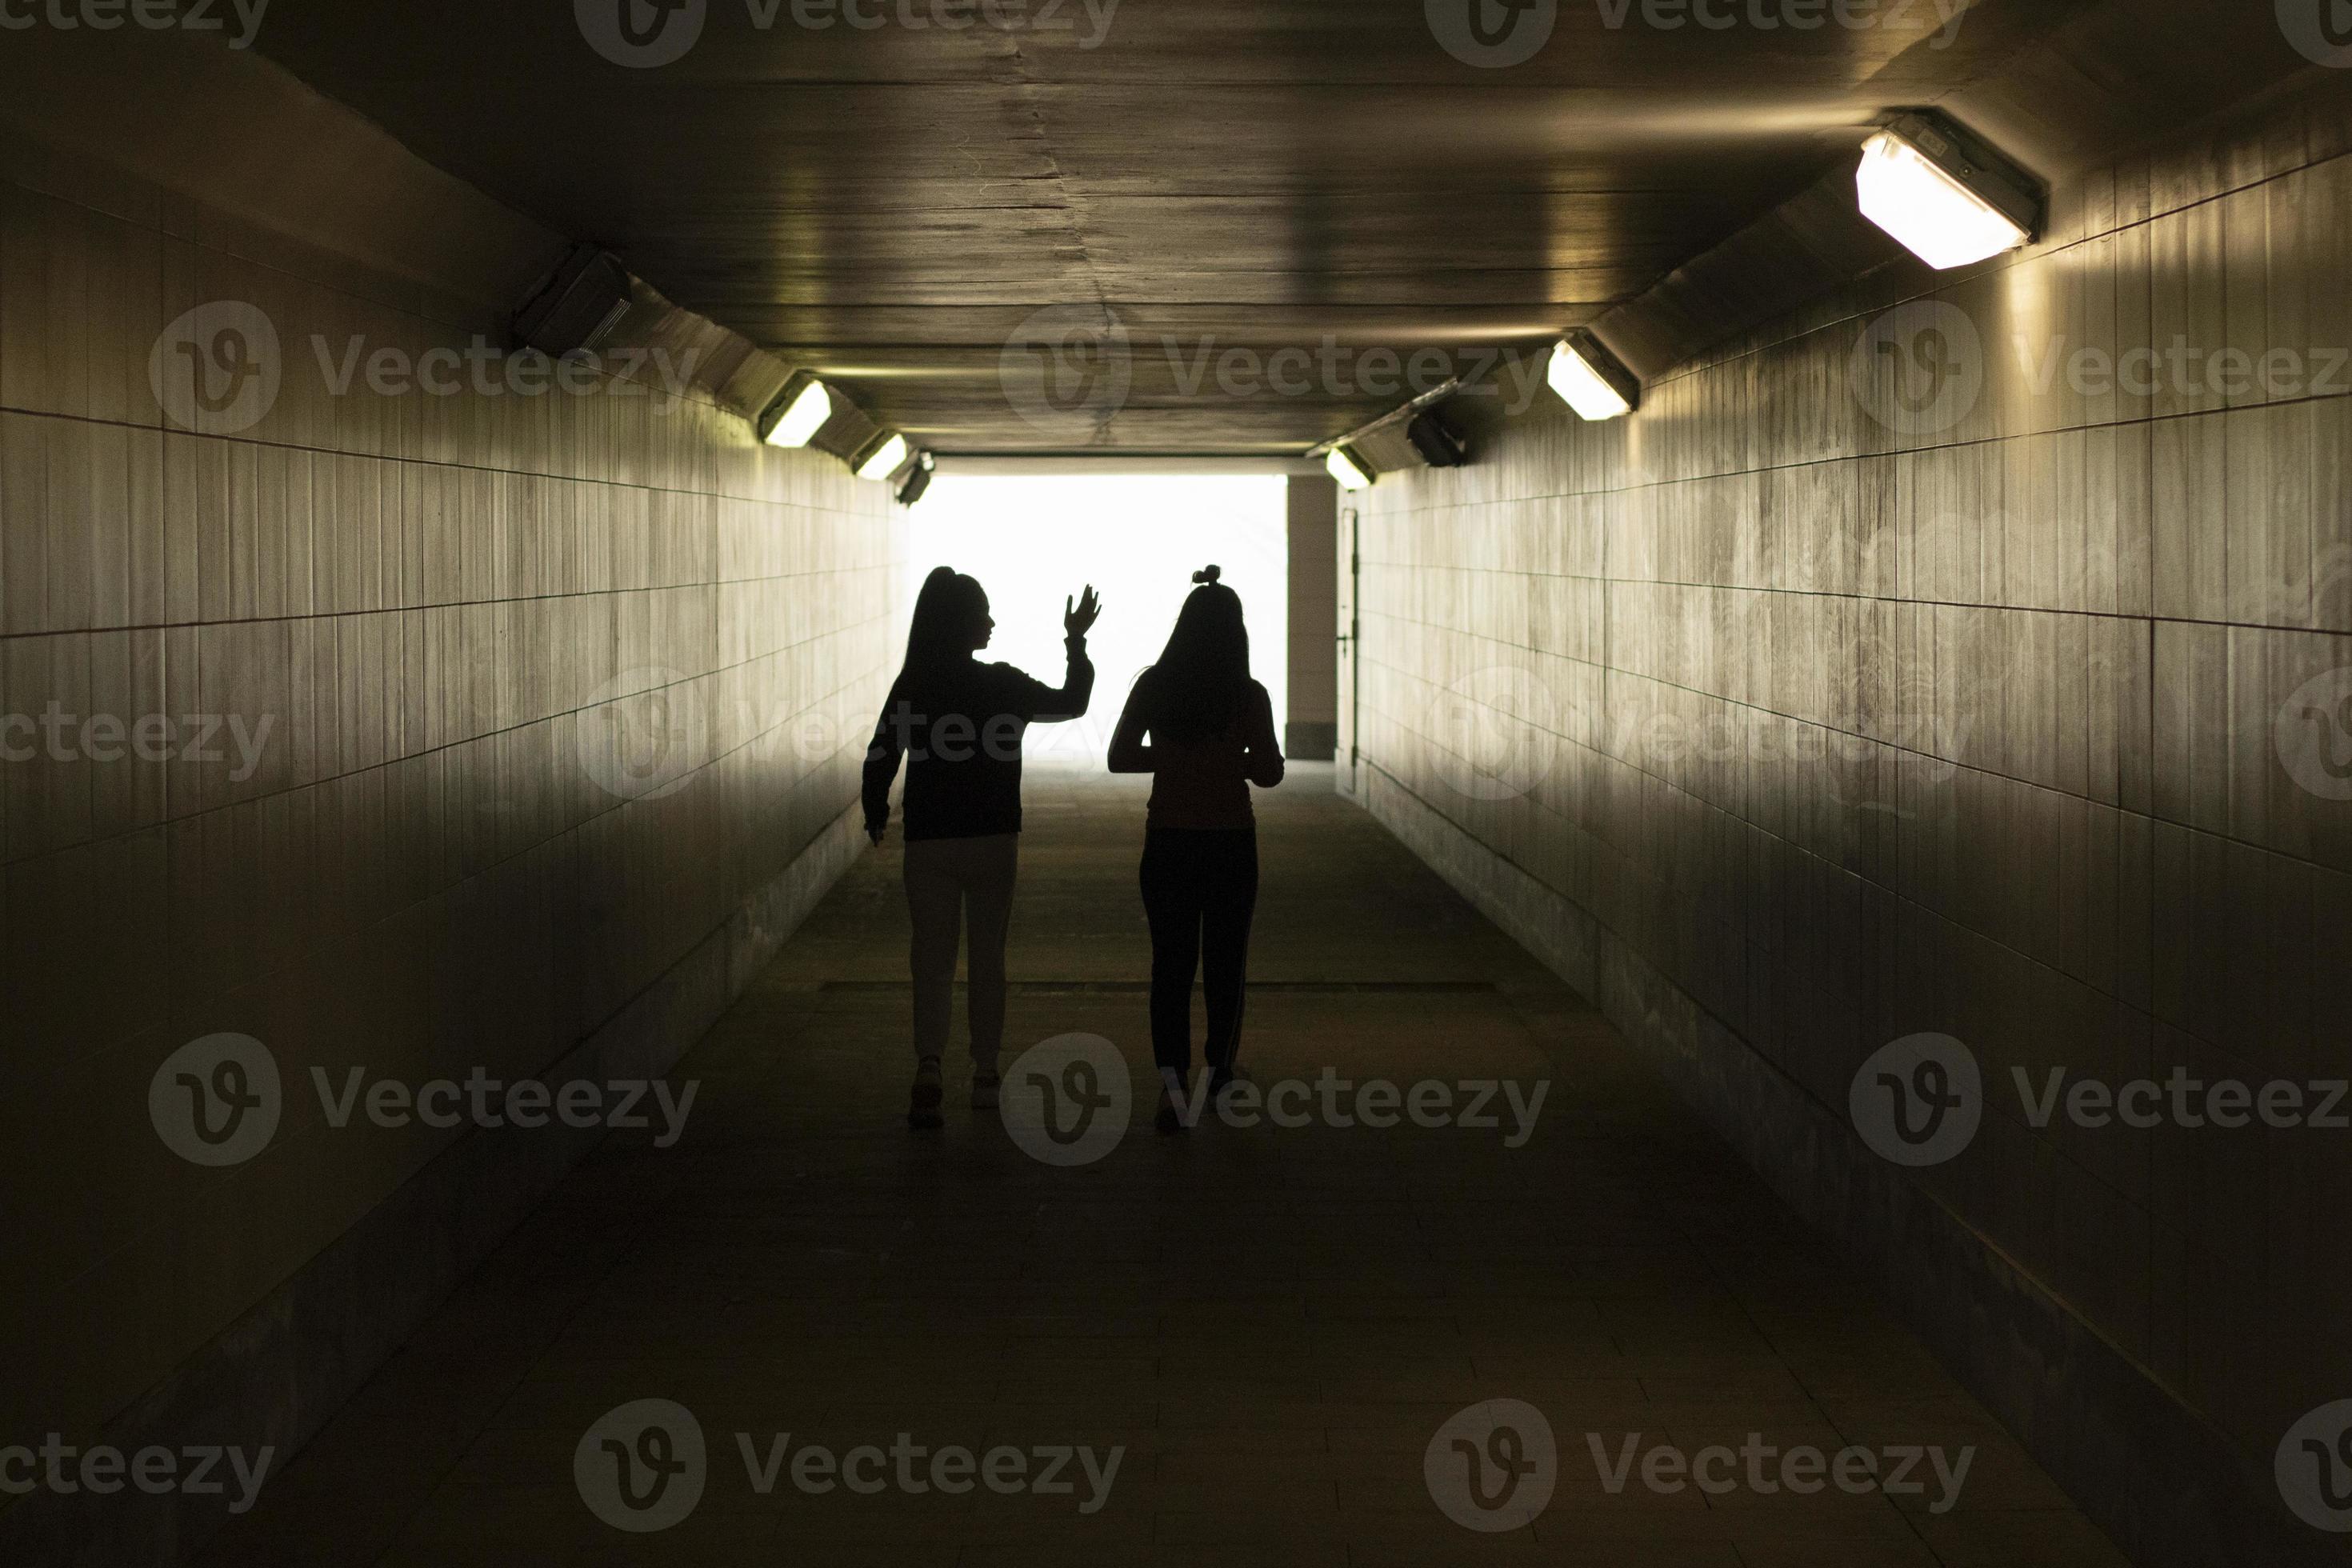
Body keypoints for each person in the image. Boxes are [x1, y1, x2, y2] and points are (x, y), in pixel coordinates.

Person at [865, 567, 1101, 1129]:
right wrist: (1076, 643)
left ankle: (929, 1068)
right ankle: (987, 1075)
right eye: (982, 613)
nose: (991, 621)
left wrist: (876, 810)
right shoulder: (1002, 683)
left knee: (932, 959)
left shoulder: (914, 684)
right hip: (994, 839)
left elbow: (882, 753)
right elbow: (1072, 702)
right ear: (960, 623)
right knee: (988, 959)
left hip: (930, 843)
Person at [1106, 566, 1284, 1133]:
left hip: (1169, 843)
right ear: (1238, 635)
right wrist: (1230, 761)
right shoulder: (1248, 695)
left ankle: (1172, 1085)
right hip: (1231, 843)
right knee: (1226, 964)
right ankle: (1223, 1073)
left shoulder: (1154, 687)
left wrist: (1176, 759)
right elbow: (1271, 773)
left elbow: (1118, 756)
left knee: (1172, 966)